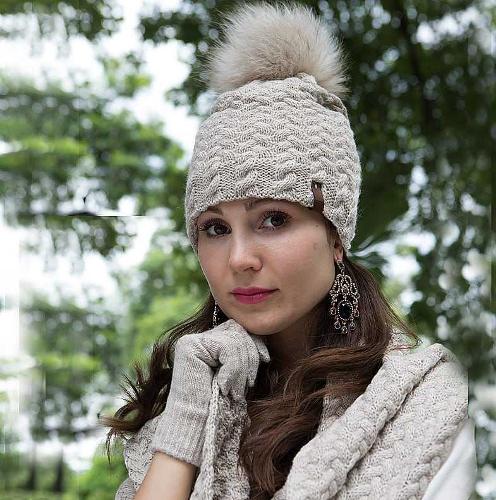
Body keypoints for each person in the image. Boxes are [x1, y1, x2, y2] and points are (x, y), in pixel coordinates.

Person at [100, 2, 477, 499]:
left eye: (273, 219)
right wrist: (189, 416)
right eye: (214, 228)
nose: (239, 258)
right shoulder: (181, 405)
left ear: (336, 235)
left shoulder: (426, 404)